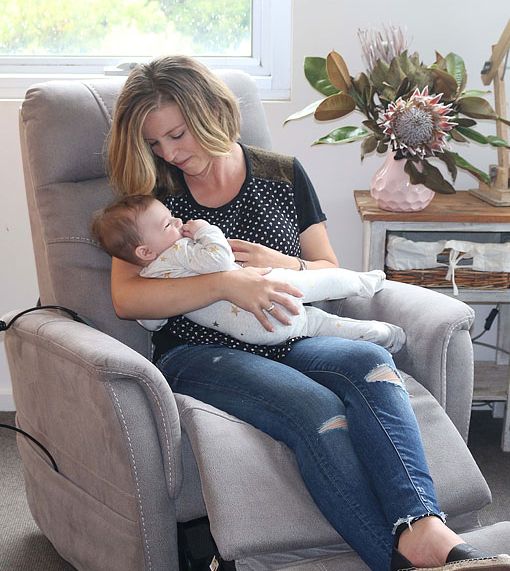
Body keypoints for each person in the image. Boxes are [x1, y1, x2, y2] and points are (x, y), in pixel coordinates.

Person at [106, 54, 510, 571]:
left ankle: (425, 527)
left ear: (211, 111)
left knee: (369, 362)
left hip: (289, 334)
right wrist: (225, 283)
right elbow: (128, 298)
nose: (170, 153)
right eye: (155, 143)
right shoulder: (151, 196)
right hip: (199, 353)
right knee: (315, 407)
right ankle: (402, 560)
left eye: (177, 134)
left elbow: (326, 268)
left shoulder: (282, 174)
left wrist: (282, 262)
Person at [91, 194, 406, 351]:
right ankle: (364, 282)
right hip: (266, 290)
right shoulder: (179, 252)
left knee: (317, 324)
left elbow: (152, 320)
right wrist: (204, 230)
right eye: (167, 224)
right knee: (318, 282)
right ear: (145, 252)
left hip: (259, 332)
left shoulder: (151, 280)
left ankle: (375, 334)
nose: (177, 222)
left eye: (173, 217)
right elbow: (218, 260)